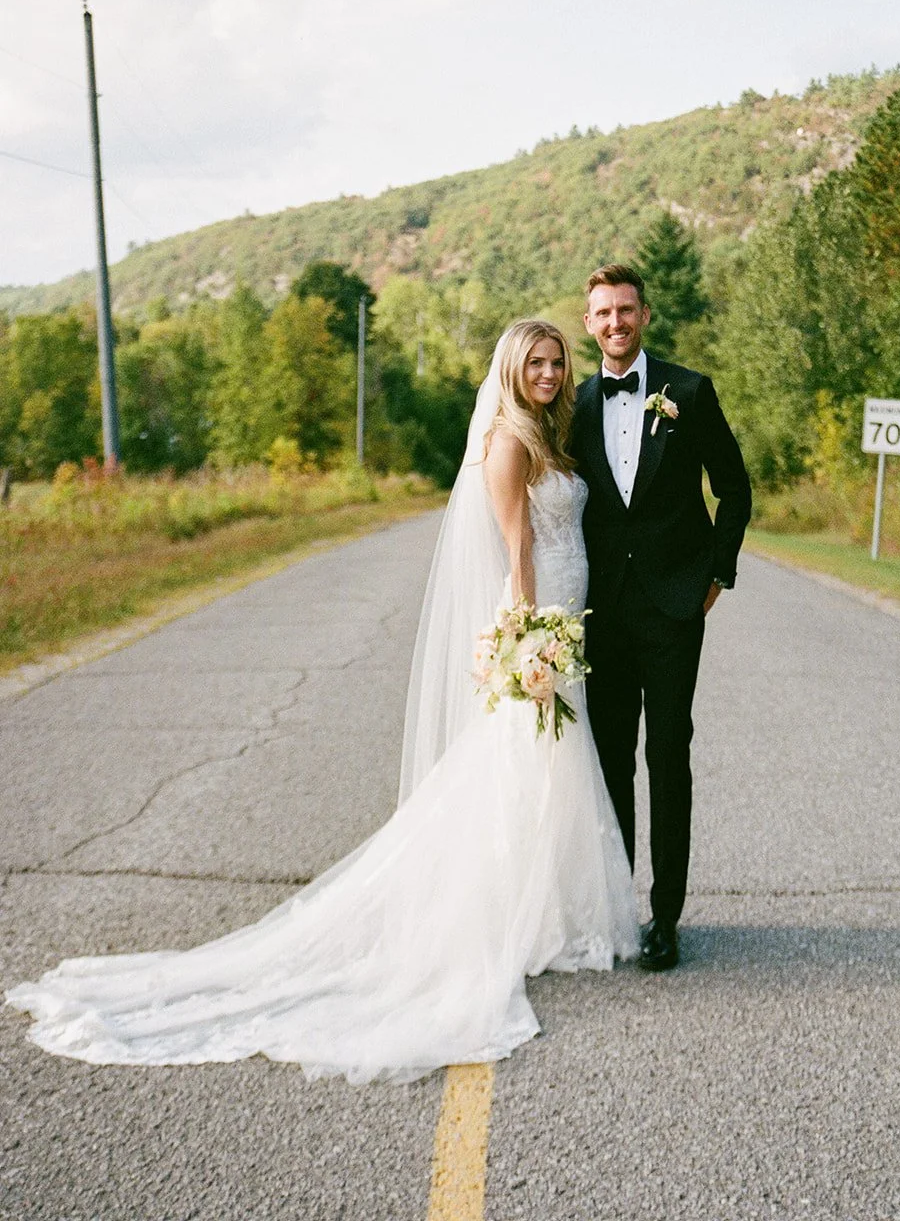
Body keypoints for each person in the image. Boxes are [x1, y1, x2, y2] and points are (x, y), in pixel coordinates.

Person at [6, 321, 638, 1085]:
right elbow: (518, 548)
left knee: (549, 773)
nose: (546, 371)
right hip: (541, 625)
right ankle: (501, 918)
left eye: (554, 361)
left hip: (567, 619)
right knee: (519, 770)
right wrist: (531, 637)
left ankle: (544, 915)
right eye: (534, 362)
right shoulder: (508, 442)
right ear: (510, 368)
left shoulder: (546, 432)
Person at [573, 265, 752, 972]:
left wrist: (717, 573)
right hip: (601, 615)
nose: (614, 323)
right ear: (588, 324)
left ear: (643, 315)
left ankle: (665, 918)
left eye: (624, 310)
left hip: (675, 609)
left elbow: (734, 489)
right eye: (601, 314)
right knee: (610, 761)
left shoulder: (690, 391)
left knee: (666, 756)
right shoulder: (573, 405)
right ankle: (618, 908)